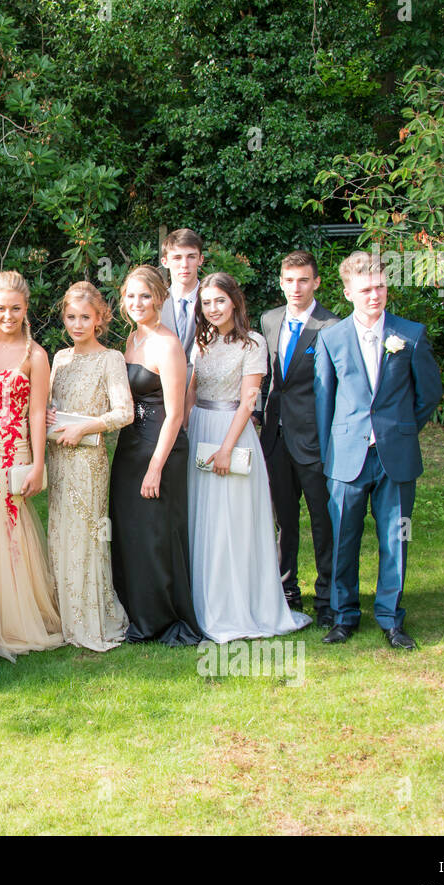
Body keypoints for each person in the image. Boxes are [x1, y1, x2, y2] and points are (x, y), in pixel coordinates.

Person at [314, 250, 442, 649]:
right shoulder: (330, 338)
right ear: (349, 292)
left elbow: (429, 395)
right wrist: (331, 450)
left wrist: (400, 430)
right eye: (367, 289)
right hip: (347, 458)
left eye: (382, 287)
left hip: (395, 455)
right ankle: (344, 616)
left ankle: (390, 618)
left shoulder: (410, 334)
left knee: (395, 539)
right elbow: (324, 401)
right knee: (342, 541)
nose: (376, 295)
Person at [185, 272, 311, 642]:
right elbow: (192, 392)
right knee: (203, 520)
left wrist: (226, 447)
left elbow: (248, 402)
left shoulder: (253, 343)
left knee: (231, 523)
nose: (213, 309)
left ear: (235, 302)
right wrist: (188, 432)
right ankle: (204, 600)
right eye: (206, 303)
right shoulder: (201, 342)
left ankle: (237, 605)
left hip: (232, 434)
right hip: (200, 432)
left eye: (219, 301)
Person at [0, 271, 63, 661]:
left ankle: (10, 621)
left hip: (14, 450)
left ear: (26, 309)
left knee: (6, 531)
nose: (8, 315)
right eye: (1, 308)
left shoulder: (35, 356)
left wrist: (38, 464)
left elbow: (38, 414)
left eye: (16, 308)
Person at [108, 265, 201, 645]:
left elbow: (176, 413)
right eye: (130, 296)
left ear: (160, 298)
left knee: (155, 536)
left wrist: (155, 468)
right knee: (130, 533)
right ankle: (137, 613)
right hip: (129, 448)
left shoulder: (168, 344)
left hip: (160, 450)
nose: (136, 303)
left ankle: (161, 619)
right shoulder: (131, 340)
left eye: (144, 295)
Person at [47, 281, 134, 652]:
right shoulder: (60, 358)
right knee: (59, 533)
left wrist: (85, 425)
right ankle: (63, 615)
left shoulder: (111, 358)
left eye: (85, 317)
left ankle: (90, 618)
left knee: (86, 535)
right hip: (58, 458)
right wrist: (48, 413)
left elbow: (125, 412)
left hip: (88, 460)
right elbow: (50, 401)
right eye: (71, 317)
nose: (77, 324)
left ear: (100, 318)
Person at [257, 250, 341, 628]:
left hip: (315, 440)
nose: (296, 287)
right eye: (289, 280)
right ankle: (287, 592)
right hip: (275, 438)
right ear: (280, 281)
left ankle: (328, 597)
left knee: (323, 522)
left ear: (317, 282)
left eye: (303, 280)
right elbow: (270, 377)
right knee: (283, 522)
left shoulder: (333, 326)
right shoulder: (270, 320)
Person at [158, 228, 205, 357]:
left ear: (200, 260)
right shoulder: (155, 303)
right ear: (165, 262)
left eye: (191, 257)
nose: (184, 264)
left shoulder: (213, 301)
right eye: (177, 258)